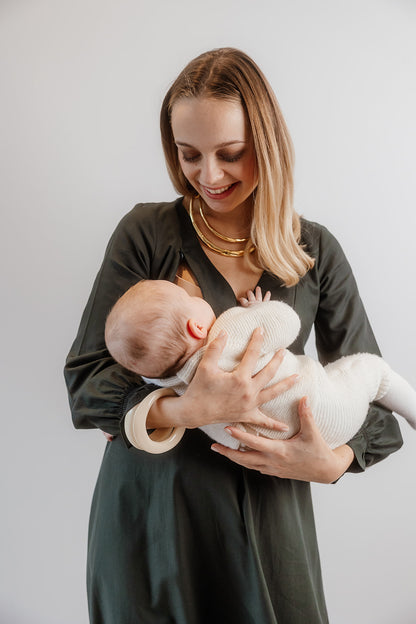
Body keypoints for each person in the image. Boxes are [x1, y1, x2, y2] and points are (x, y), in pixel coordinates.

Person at [64, 47, 404, 624]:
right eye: (188, 154)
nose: (209, 176)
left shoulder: (315, 251)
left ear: (267, 147)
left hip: (270, 528)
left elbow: (376, 404)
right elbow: (87, 383)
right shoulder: (147, 233)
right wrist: (185, 407)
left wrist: (333, 461)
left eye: (231, 153)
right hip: (153, 520)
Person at [104, 279, 416, 451]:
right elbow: (288, 323)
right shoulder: (228, 330)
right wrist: (259, 308)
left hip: (275, 446)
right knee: (372, 370)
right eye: (191, 299)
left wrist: (130, 423)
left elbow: (147, 396)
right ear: (196, 328)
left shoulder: (173, 386)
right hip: (330, 414)